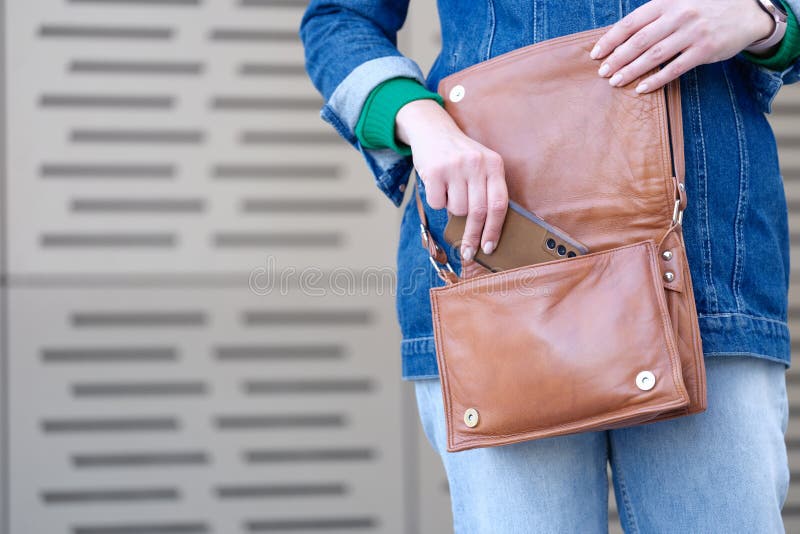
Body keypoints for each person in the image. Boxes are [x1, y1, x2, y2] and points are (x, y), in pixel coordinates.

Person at [300, 0, 800, 531]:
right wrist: (421, 122)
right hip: (498, 277)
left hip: (705, 273)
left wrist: (763, 17)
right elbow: (338, 18)